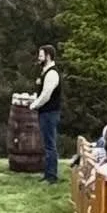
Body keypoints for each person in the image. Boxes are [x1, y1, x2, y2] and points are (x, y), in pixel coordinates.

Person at [29, 45, 63, 183]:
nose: (39, 58)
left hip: (50, 113)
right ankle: (48, 174)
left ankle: (51, 176)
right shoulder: (45, 72)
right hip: (46, 112)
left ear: (48, 56)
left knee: (50, 145)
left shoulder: (52, 73)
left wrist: (34, 105)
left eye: (41, 55)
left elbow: (46, 95)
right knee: (47, 144)